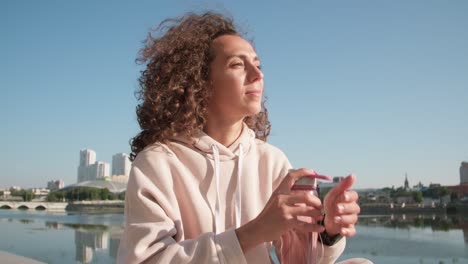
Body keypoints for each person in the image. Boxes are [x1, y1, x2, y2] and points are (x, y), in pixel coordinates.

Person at [117, 12, 367, 264]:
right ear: (198, 82)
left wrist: (327, 232)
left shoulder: (271, 160)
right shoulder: (158, 163)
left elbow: (301, 261)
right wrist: (254, 232)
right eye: (237, 64)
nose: (257, 75)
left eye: (258, 65)